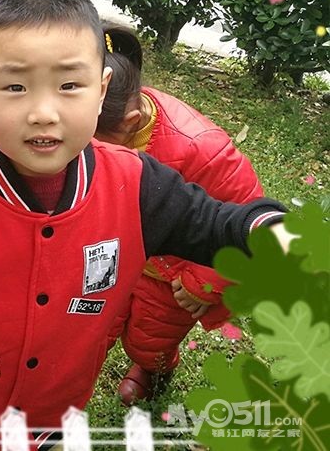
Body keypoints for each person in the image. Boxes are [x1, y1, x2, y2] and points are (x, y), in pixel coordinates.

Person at [0, 0, 291, 449]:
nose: (44, 112)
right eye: (15, 87)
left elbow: (214, 223)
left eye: (70, 85)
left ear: (101, 89)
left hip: (52, 416)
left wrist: (271, 229)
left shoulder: (137, 184)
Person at [95, 26, 264, 405]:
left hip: (172, 273)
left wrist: (205, 282)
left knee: (150, 336)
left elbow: (249, 223)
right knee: (94, 322)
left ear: (131, 121)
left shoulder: (201, 149)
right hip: (115, 252)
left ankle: (154, 367)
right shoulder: (97, 122)